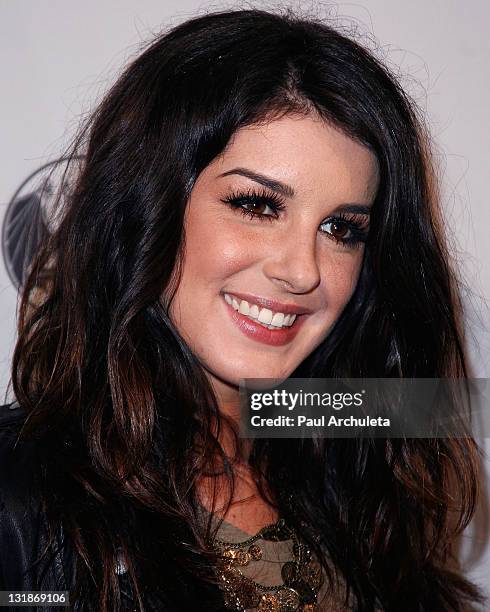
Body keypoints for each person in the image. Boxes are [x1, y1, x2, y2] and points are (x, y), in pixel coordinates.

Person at [0, 8, 485, 612]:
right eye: (256, 205)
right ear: (145, 206)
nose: (302, 270)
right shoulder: (20, 497)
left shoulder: (356, 446)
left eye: (342, 228)